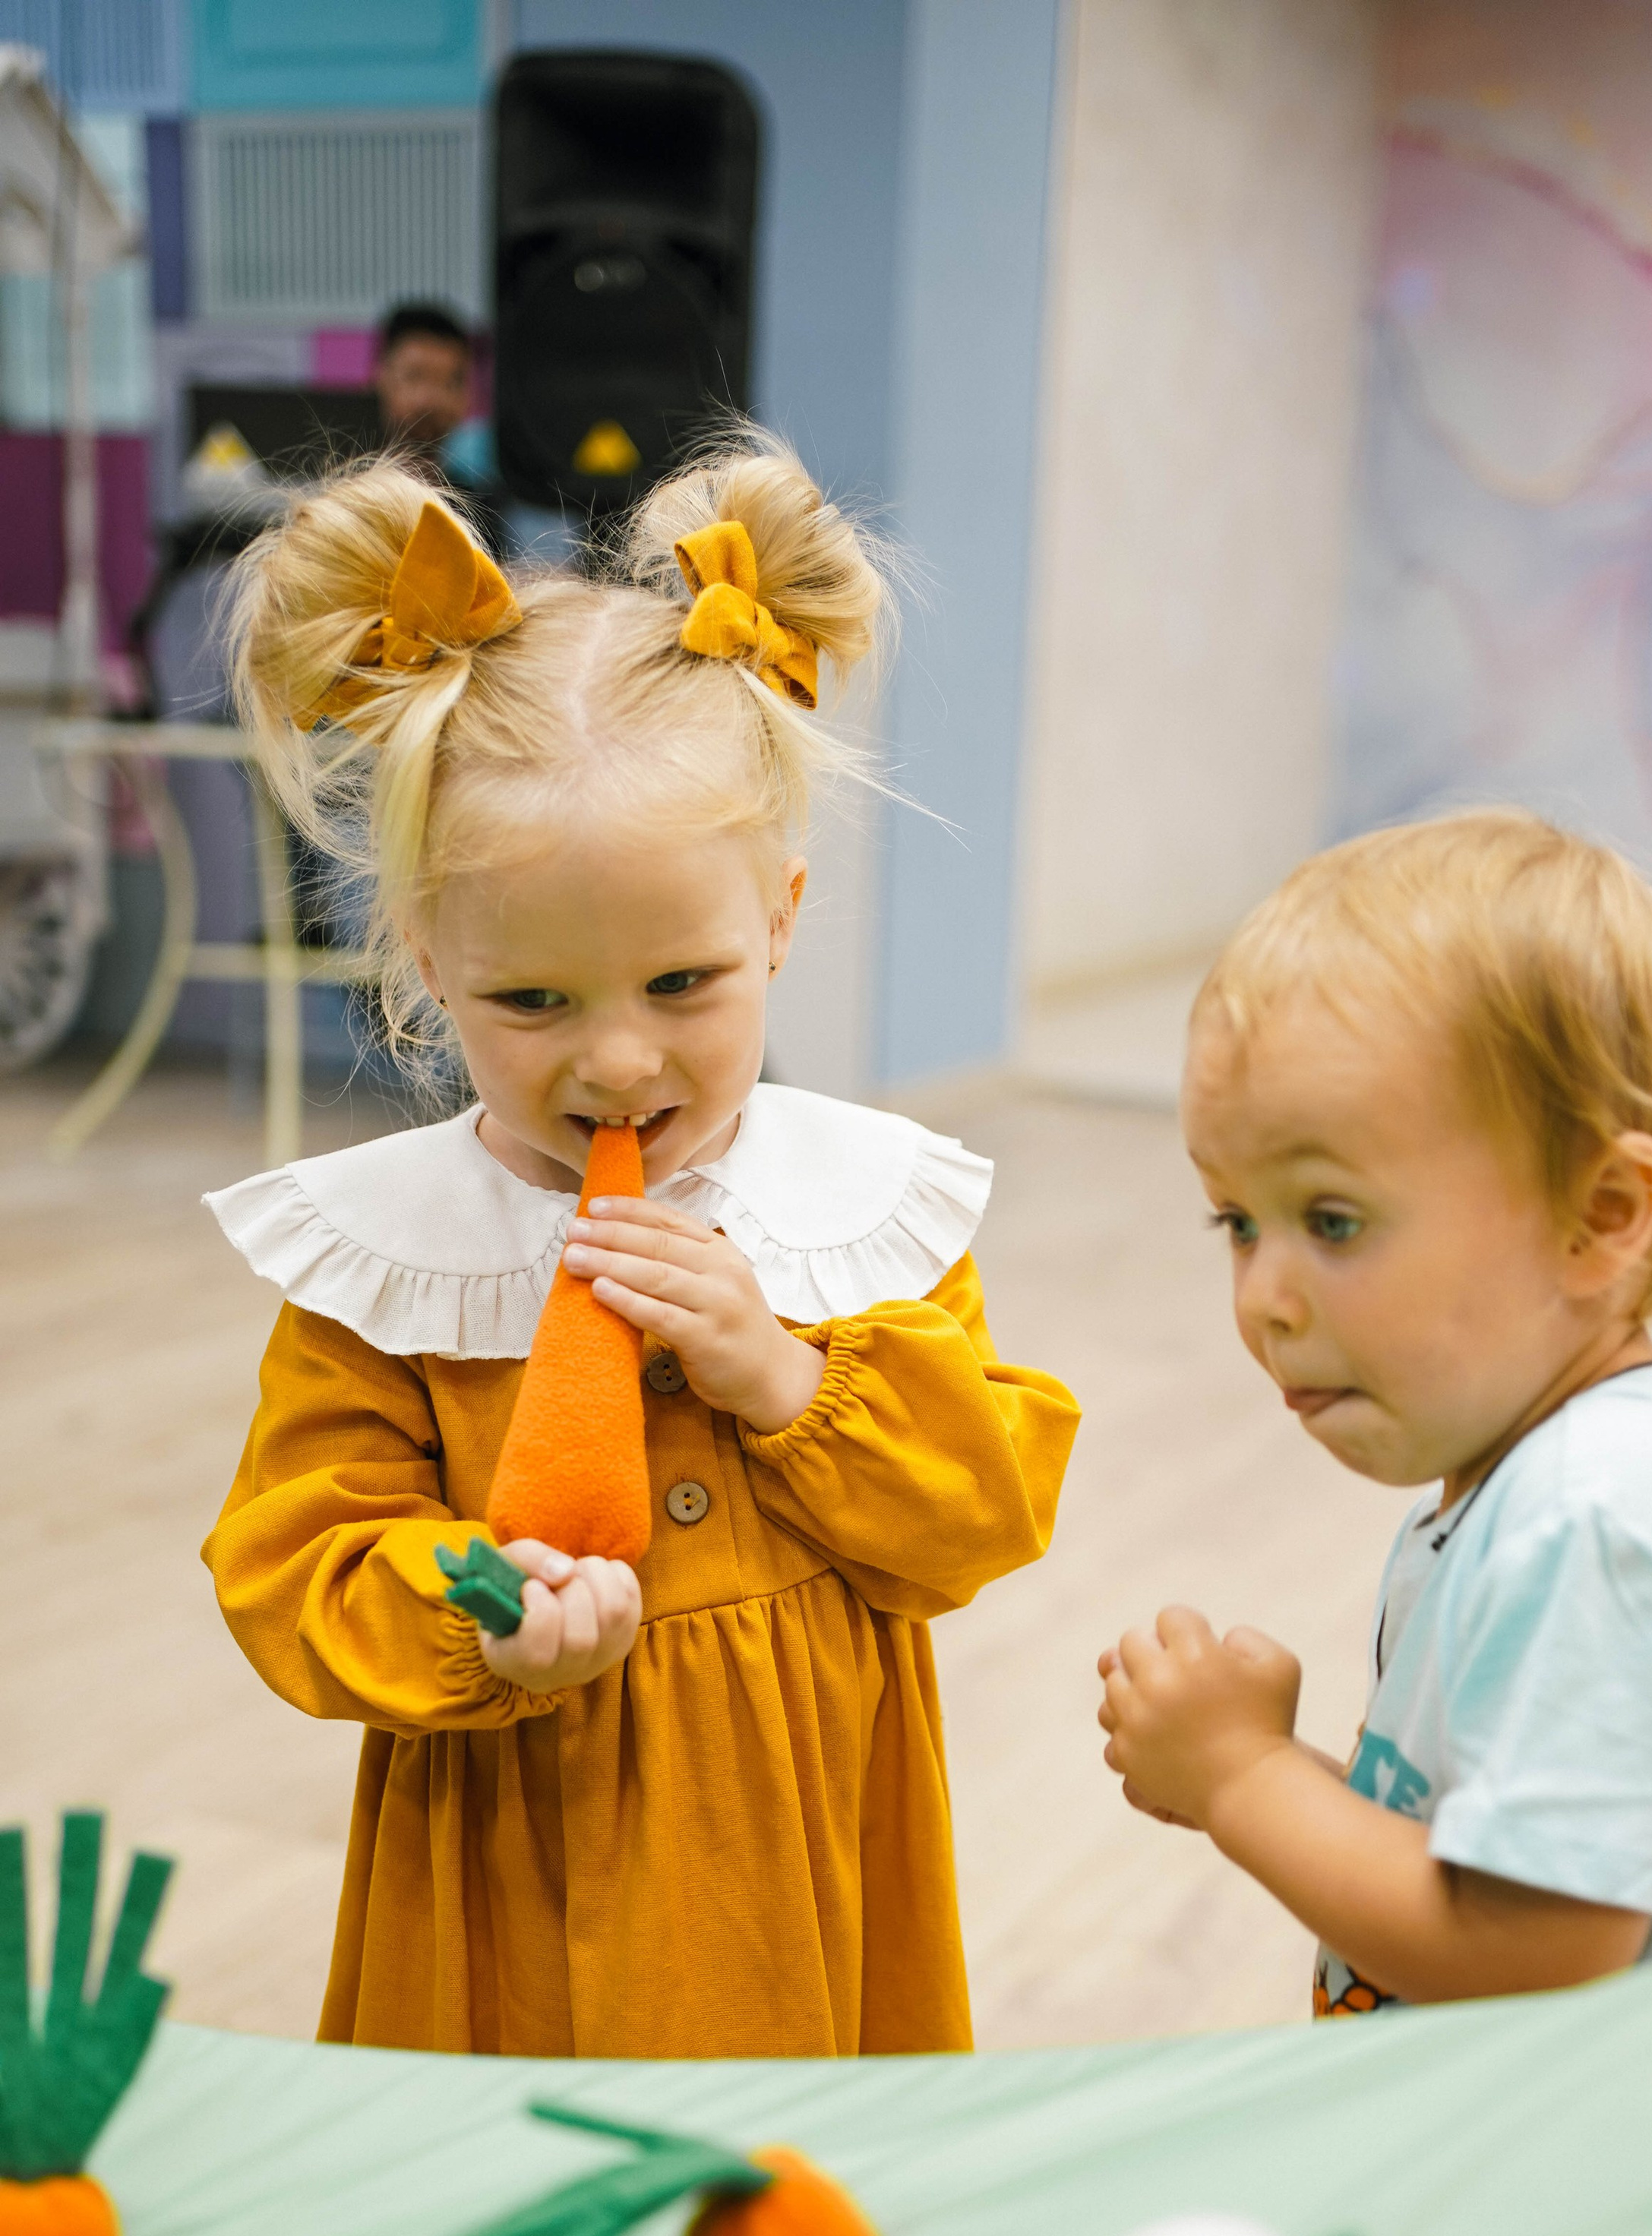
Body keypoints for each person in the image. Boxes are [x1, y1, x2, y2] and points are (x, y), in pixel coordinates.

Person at [201, 433, 1080, 2058]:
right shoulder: (393, 1261)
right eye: (532, 1002)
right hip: (513, 1858)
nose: (615, 1063)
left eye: (683, 986)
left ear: (779, 925)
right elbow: (293, 1564)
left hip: (806, 1847)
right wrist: (472, 1604)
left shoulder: (860, 1214)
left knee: (790, 2195)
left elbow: (979, 1517)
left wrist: (784, 1378)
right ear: (427, 966)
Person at [1098, 810, 1652, 2010]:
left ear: (1601, 1216)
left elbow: (1527, 1949)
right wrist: (1280, 1781)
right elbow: (1484, 1863)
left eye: (1332, 1221)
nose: (1263, 1298)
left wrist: (1242, 1775)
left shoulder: (1595, 1520)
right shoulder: (1558, 1471)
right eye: (1238, 1222)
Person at [373, 302, 475, 466]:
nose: (430, 400)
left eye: (450, 384)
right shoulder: (341, 490)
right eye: (415, 377)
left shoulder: (479, 490)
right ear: (381, 376)